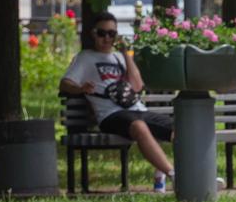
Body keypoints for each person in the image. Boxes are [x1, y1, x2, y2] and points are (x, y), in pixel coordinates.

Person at [61, 11, 177, 190]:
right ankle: (174, 176)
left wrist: (126, 54)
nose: (107, 38)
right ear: (93, 33)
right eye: (102, 33)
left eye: (112, 34)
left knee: (181, 129)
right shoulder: (85, 57)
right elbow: (65, 83)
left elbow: (137, 86)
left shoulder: (119, 57)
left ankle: (193, 174)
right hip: (110, 115)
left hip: (137, 109)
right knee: (139, 126)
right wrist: (81, 89)